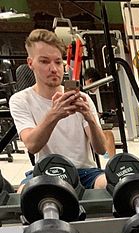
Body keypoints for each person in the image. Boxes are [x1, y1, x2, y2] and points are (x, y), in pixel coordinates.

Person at [9, 29, 108, 190]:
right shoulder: (21, 100)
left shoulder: (82, 98)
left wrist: (90, 118)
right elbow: (32, 145)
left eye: (58, 62)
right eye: (44, 61)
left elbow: (101, 149)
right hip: (45, 172)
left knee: (114, 185)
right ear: (30, 63)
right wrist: (54, 114)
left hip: (84, 172)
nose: (54, 69)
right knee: (23, 193)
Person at [83, 66, 116, 157]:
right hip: (85, 132)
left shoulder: (84, 94)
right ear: (90, 81)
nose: (96, 88)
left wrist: (99, 115)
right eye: (96, 86)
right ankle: (112, 162)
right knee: (109, 135)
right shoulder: (83, 96)